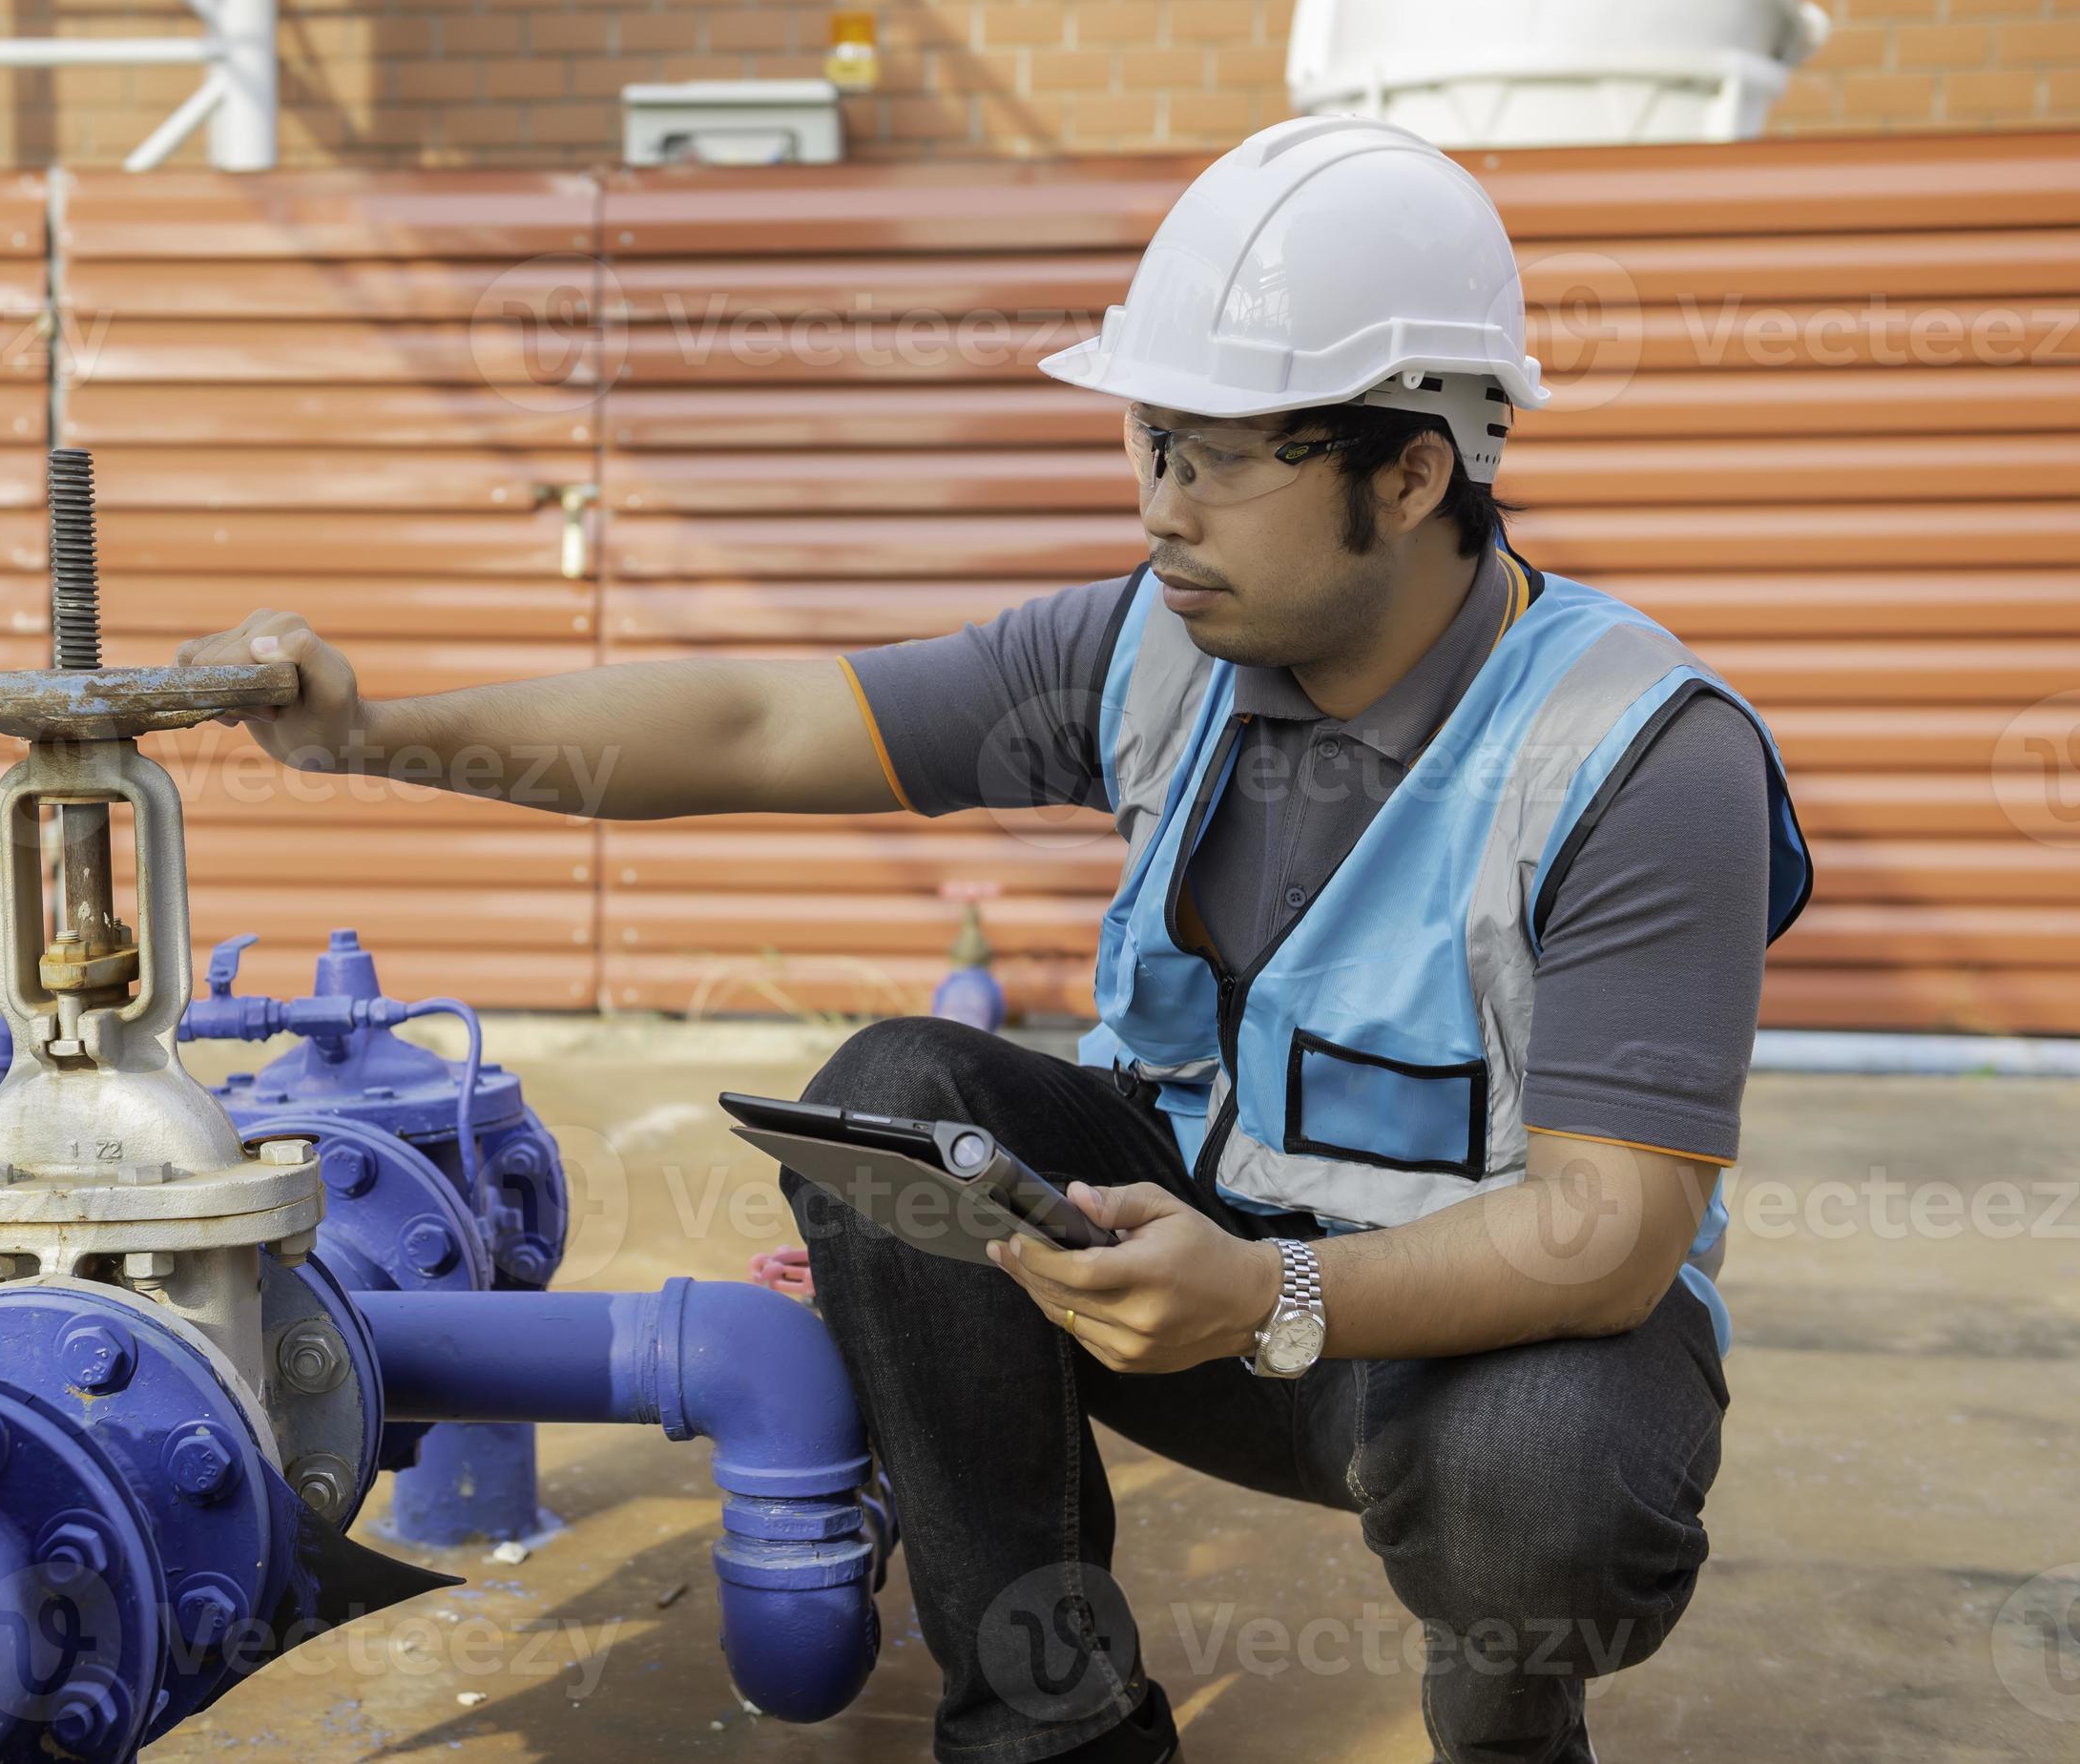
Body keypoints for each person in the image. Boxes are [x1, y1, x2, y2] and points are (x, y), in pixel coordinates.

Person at [178, 115, 1811, 1764]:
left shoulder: (1640, 755)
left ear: (1412, 470)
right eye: (1149, 442)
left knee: (1546, 1494)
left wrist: (1269, 1292)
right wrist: (381, 735)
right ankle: (1056, 1731)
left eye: (1222, 457)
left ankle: (1515, 1714)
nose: (1163, 509)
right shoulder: (1150, 646)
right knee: (894, 1095)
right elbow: (755, 724)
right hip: (1182, 1263)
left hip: (1465, 1344)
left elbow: (1610, 1230)